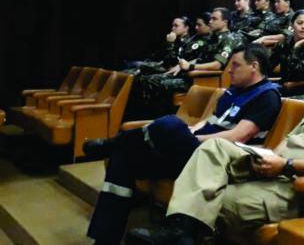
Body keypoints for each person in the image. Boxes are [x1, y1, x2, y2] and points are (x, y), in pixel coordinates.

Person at [126, 44, 304, 245]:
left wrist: (285, 165)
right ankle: (179, 232)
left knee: (215, 198)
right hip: (272, 166)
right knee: (212, 148)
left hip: (295, 186)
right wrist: (270, 156)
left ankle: (180, 234)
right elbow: (292, 139)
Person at [86, 44, 282, 245]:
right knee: (124, 159)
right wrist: (190, 132)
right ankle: (104, 239)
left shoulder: (267, 95)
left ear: (254, 66)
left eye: (235, 65)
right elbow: (207, 122)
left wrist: (190, 139)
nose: (229, 69)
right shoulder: (233, 91)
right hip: (192, 152)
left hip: (215, 162)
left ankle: (114, 143)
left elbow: (237, 136)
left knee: (170, 123)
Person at [128, 16, 209, 120]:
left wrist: (170, 44)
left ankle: (145, 115)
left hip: (184, 75)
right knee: (136, 72)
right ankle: (138, 113)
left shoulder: (193, 42)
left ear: (186, 28)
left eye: (176, 26)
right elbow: (164, 58)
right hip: (172, 70)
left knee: (146, 79)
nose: (173, 28)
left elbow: (173, 61)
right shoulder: (184, 40)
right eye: (172, 25)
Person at [272, 10, 304, 98]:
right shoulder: (284, 43)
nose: (303, 27)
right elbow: (269, 66)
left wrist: (296, 48)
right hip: (283, 88)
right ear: (292, 25)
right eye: (299, 23)